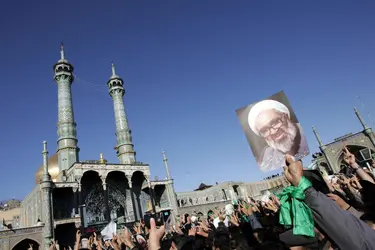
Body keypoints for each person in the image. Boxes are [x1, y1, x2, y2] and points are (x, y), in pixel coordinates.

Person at [248, 100, 308, 171]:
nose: (273, 131)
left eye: (275, 122)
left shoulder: (306, 133)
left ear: (286, 116)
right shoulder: (266, 158)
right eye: (264, 130)